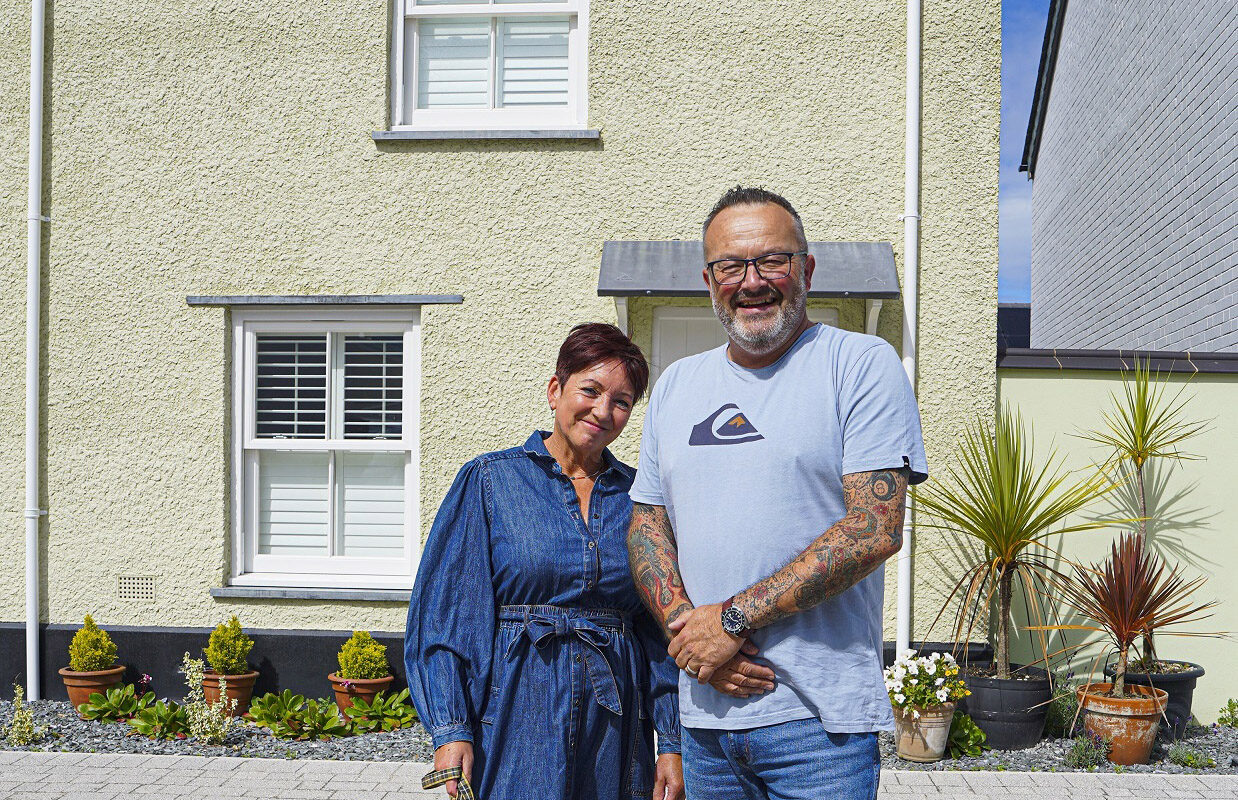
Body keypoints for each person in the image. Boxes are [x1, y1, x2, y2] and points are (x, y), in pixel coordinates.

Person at [626, 187, 929, 800]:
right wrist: (694, 635)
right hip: (706, 720)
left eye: (773, 260)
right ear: (709, 280)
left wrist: (732, 620)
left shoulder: (860, 363)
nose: (752, 281)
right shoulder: (679, 383)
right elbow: (647, 524)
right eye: (731, 266)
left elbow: (873, 529)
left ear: (807, 269)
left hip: (820, 729)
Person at [406, 323, 692, 800]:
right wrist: (452, 728)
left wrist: (672, 741)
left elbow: (660, 631)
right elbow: (447, 616)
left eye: (621, 402)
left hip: (616, 724)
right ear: (555, 390)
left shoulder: (641, 497)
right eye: (591, 390)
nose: (603, 411)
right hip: (515, 711)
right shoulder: (489, 482)